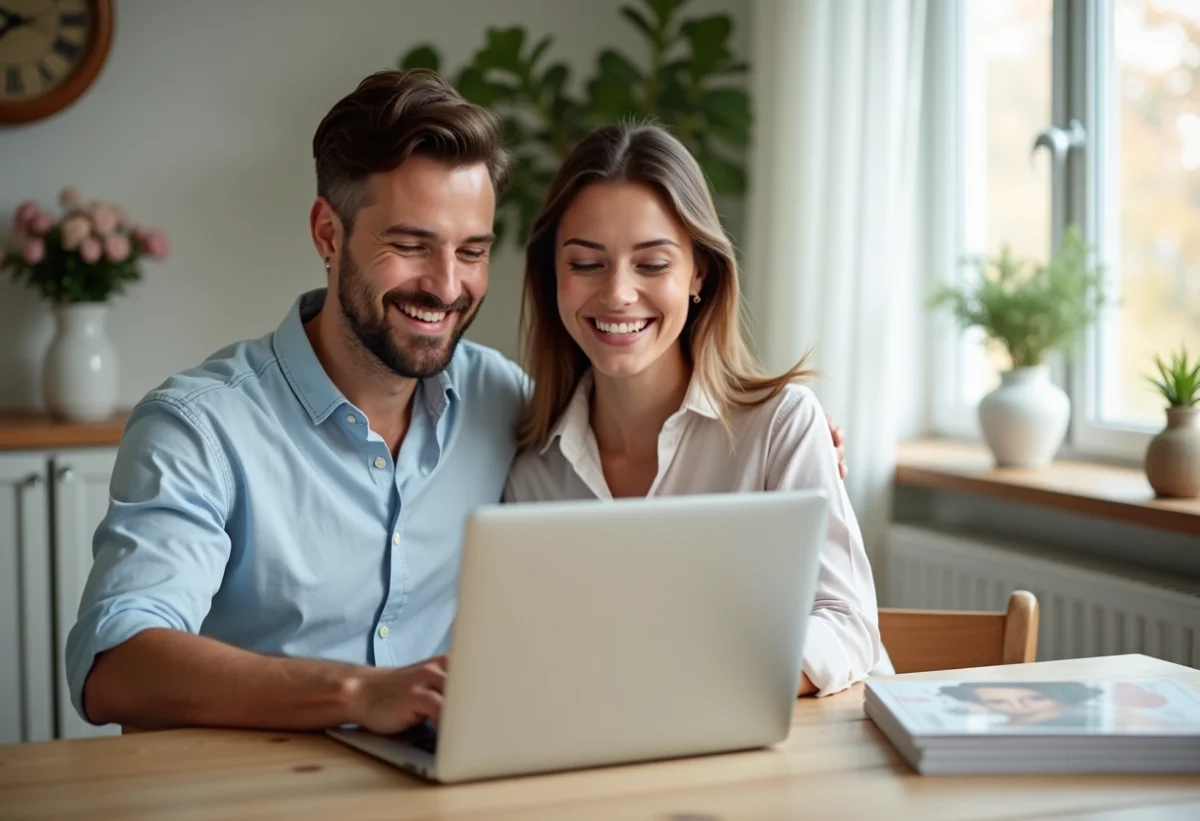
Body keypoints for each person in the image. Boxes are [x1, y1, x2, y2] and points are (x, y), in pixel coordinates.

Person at [64, 69, 848, 735]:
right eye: (410, 245)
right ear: (328, 234)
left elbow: (634, 428)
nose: (446, 285)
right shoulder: (200, 426)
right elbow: (116, 664)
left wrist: (781, 443)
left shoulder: (505, 405)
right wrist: (356, 692)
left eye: (471, 251)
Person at [503, 123, 880, 697]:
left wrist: (702, 677)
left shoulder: (781, 426)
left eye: (652, 264)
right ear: (553, 273)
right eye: (586, 264)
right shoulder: (530, 464)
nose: (617, 294)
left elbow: (847, 625)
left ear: (698, 272)